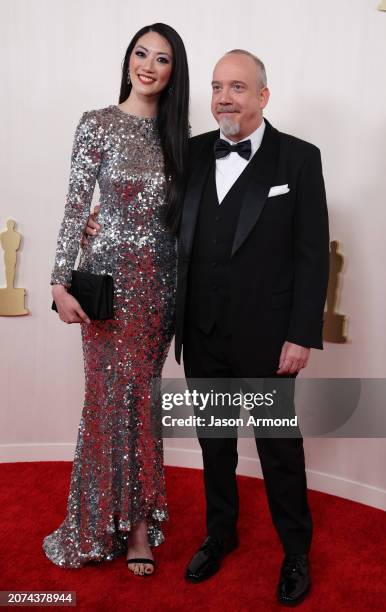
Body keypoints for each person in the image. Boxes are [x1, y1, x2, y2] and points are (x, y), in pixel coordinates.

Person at [84, 49, 329, 605]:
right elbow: (152, 217)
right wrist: (103, 225)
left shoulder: (298, 160)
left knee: (277, 449)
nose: (224, 97)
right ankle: (220, 535)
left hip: (269, 339)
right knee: (215, 445)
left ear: (263, 96)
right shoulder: (191, 153)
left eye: (238, 87)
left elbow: (313, 257)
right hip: (203, 332)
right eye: (218, 86)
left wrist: (300, 334)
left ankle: (296, 551)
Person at [43, 23, 189, 576]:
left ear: (176, 72)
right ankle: (101, 522)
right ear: (128, 59)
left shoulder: (182, 137)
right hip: (107, 287)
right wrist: (60, 280)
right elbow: (76, 206)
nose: (149, 65)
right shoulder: (97, 124)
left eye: (163, 59)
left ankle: (139, 527)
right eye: (141, 53)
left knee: (141, 404)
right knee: (107, 403)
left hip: (158, 291)